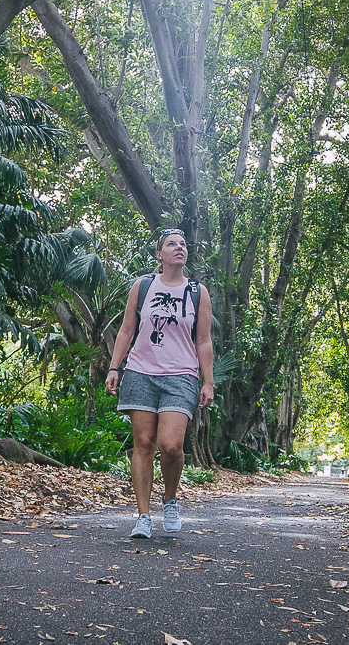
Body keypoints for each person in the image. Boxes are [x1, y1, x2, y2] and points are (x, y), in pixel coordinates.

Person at [105, 228, 214, 538]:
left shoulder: (197, 291)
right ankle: (143, 516)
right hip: (141, 371)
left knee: (171, 446)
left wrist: (209, 382)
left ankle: (169, 498)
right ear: (160, 254)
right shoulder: (143, 286)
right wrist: (115, 366)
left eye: (182, 243)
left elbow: (203, 340)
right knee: (143, 445)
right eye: (171, 244)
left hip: (181, 374)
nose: (179, 248)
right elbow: (126, 330)